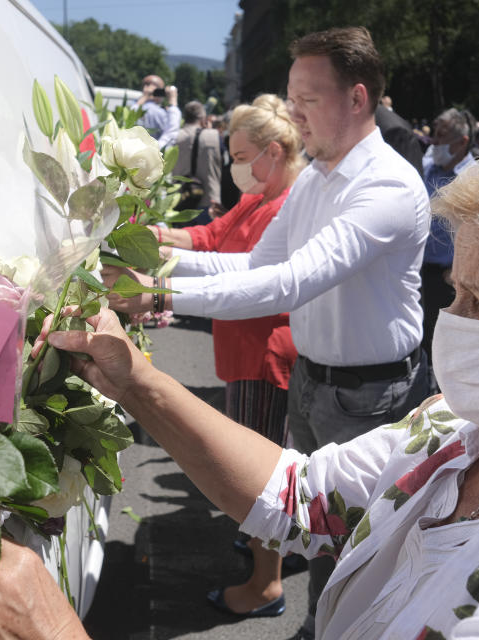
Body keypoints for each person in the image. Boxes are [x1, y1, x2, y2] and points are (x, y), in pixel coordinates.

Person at [0, 129, 479, 640]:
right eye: (456, 295)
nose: (455, 325)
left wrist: (51, 632)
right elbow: (304, 498)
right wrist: (137, 382)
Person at [103, 27, 431, 637]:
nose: (293, 114)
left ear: (357, 100)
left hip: (367, 395)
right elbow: (256, 265)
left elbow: (288, 284)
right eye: (292, 96)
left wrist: (156, 293)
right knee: (315, 522)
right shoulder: (317, 177)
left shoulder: (385, 185)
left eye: (307, 99)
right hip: (315, 379)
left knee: (353, 545)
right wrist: (153, 262)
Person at [151, 93, 305, 616]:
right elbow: (215, 237)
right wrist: (160, 240)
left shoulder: (282, 206)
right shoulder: (261, 197)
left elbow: (238, 270)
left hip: (264, 352)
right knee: (258, 464)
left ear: (275, 152)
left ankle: (267, 584)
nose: (234, 167)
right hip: (246, 348)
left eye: (241, 157)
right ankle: (263, 557)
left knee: (260, 475)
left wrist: (159, 281)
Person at [419, 108, 476, 386]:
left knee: (447, 350)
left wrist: (459, 272)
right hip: (420, 274)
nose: (435, 142)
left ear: (462, 142)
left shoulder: (474, 178)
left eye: (442, 136)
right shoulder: (426, 167)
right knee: (423, 345)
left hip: (450, 279)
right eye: (434, 133)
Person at [173, 100, 222, 226]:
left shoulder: (175, 137)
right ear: (203, 118)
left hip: (181, 199)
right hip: (209, 201)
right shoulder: (214, 135)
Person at [135, 74, 181, 148]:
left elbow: (131, 115)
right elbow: (171, 133)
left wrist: (145, 96)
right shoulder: (160, 113)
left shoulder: (133, 106)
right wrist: (173, 101)